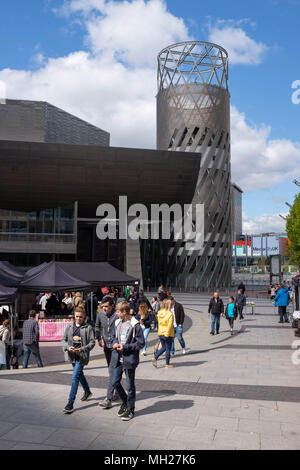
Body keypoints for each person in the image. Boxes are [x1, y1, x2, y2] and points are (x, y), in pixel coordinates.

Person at [111, 301, 145, 421]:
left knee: (130, 386)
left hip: (129, 359)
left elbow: (141, 343)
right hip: (118, 358)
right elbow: (114, 336)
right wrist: (115, 343)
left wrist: (125, 347)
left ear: (124, 312)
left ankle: (131, 409)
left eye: (118, 311)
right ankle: (126, 402)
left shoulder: (135, 325)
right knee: (115, 382)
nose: (116, 313)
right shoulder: (117, 323)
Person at [61, 307, 95, 414]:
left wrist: (82, 349)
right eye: (76, 316)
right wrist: (67, 347)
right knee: (79, 375)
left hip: (82, 356)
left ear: (84, 316)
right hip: (72, 356)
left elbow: (92, 342)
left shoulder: (88, 327)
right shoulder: (70, 326)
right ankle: (88, 391)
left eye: (80, 317)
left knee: (75, 377)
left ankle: (70, 403)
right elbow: (63, 339)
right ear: (74, 316)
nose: (78, 319)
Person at [95, 295, 119, 409]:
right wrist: (99, 339)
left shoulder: (117, 315)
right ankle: (117, 392)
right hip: (106, 347)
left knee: (112, 371)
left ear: (112, 306)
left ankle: (108, 399)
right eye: (102, 306)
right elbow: (97, 327)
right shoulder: (100, 314)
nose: (104, 309)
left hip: (116, 347)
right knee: (113, 371)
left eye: (106, 306)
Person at [152, 299, 175, 368]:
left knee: (164, 347)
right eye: (171, 304)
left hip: (160, 332)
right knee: (168, 349)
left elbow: (159, 323)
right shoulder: (170, 313)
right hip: (167, 333)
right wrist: (167, 334)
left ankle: (155, 357)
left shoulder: (160, 312)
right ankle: (167, 364)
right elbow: (170, 325)